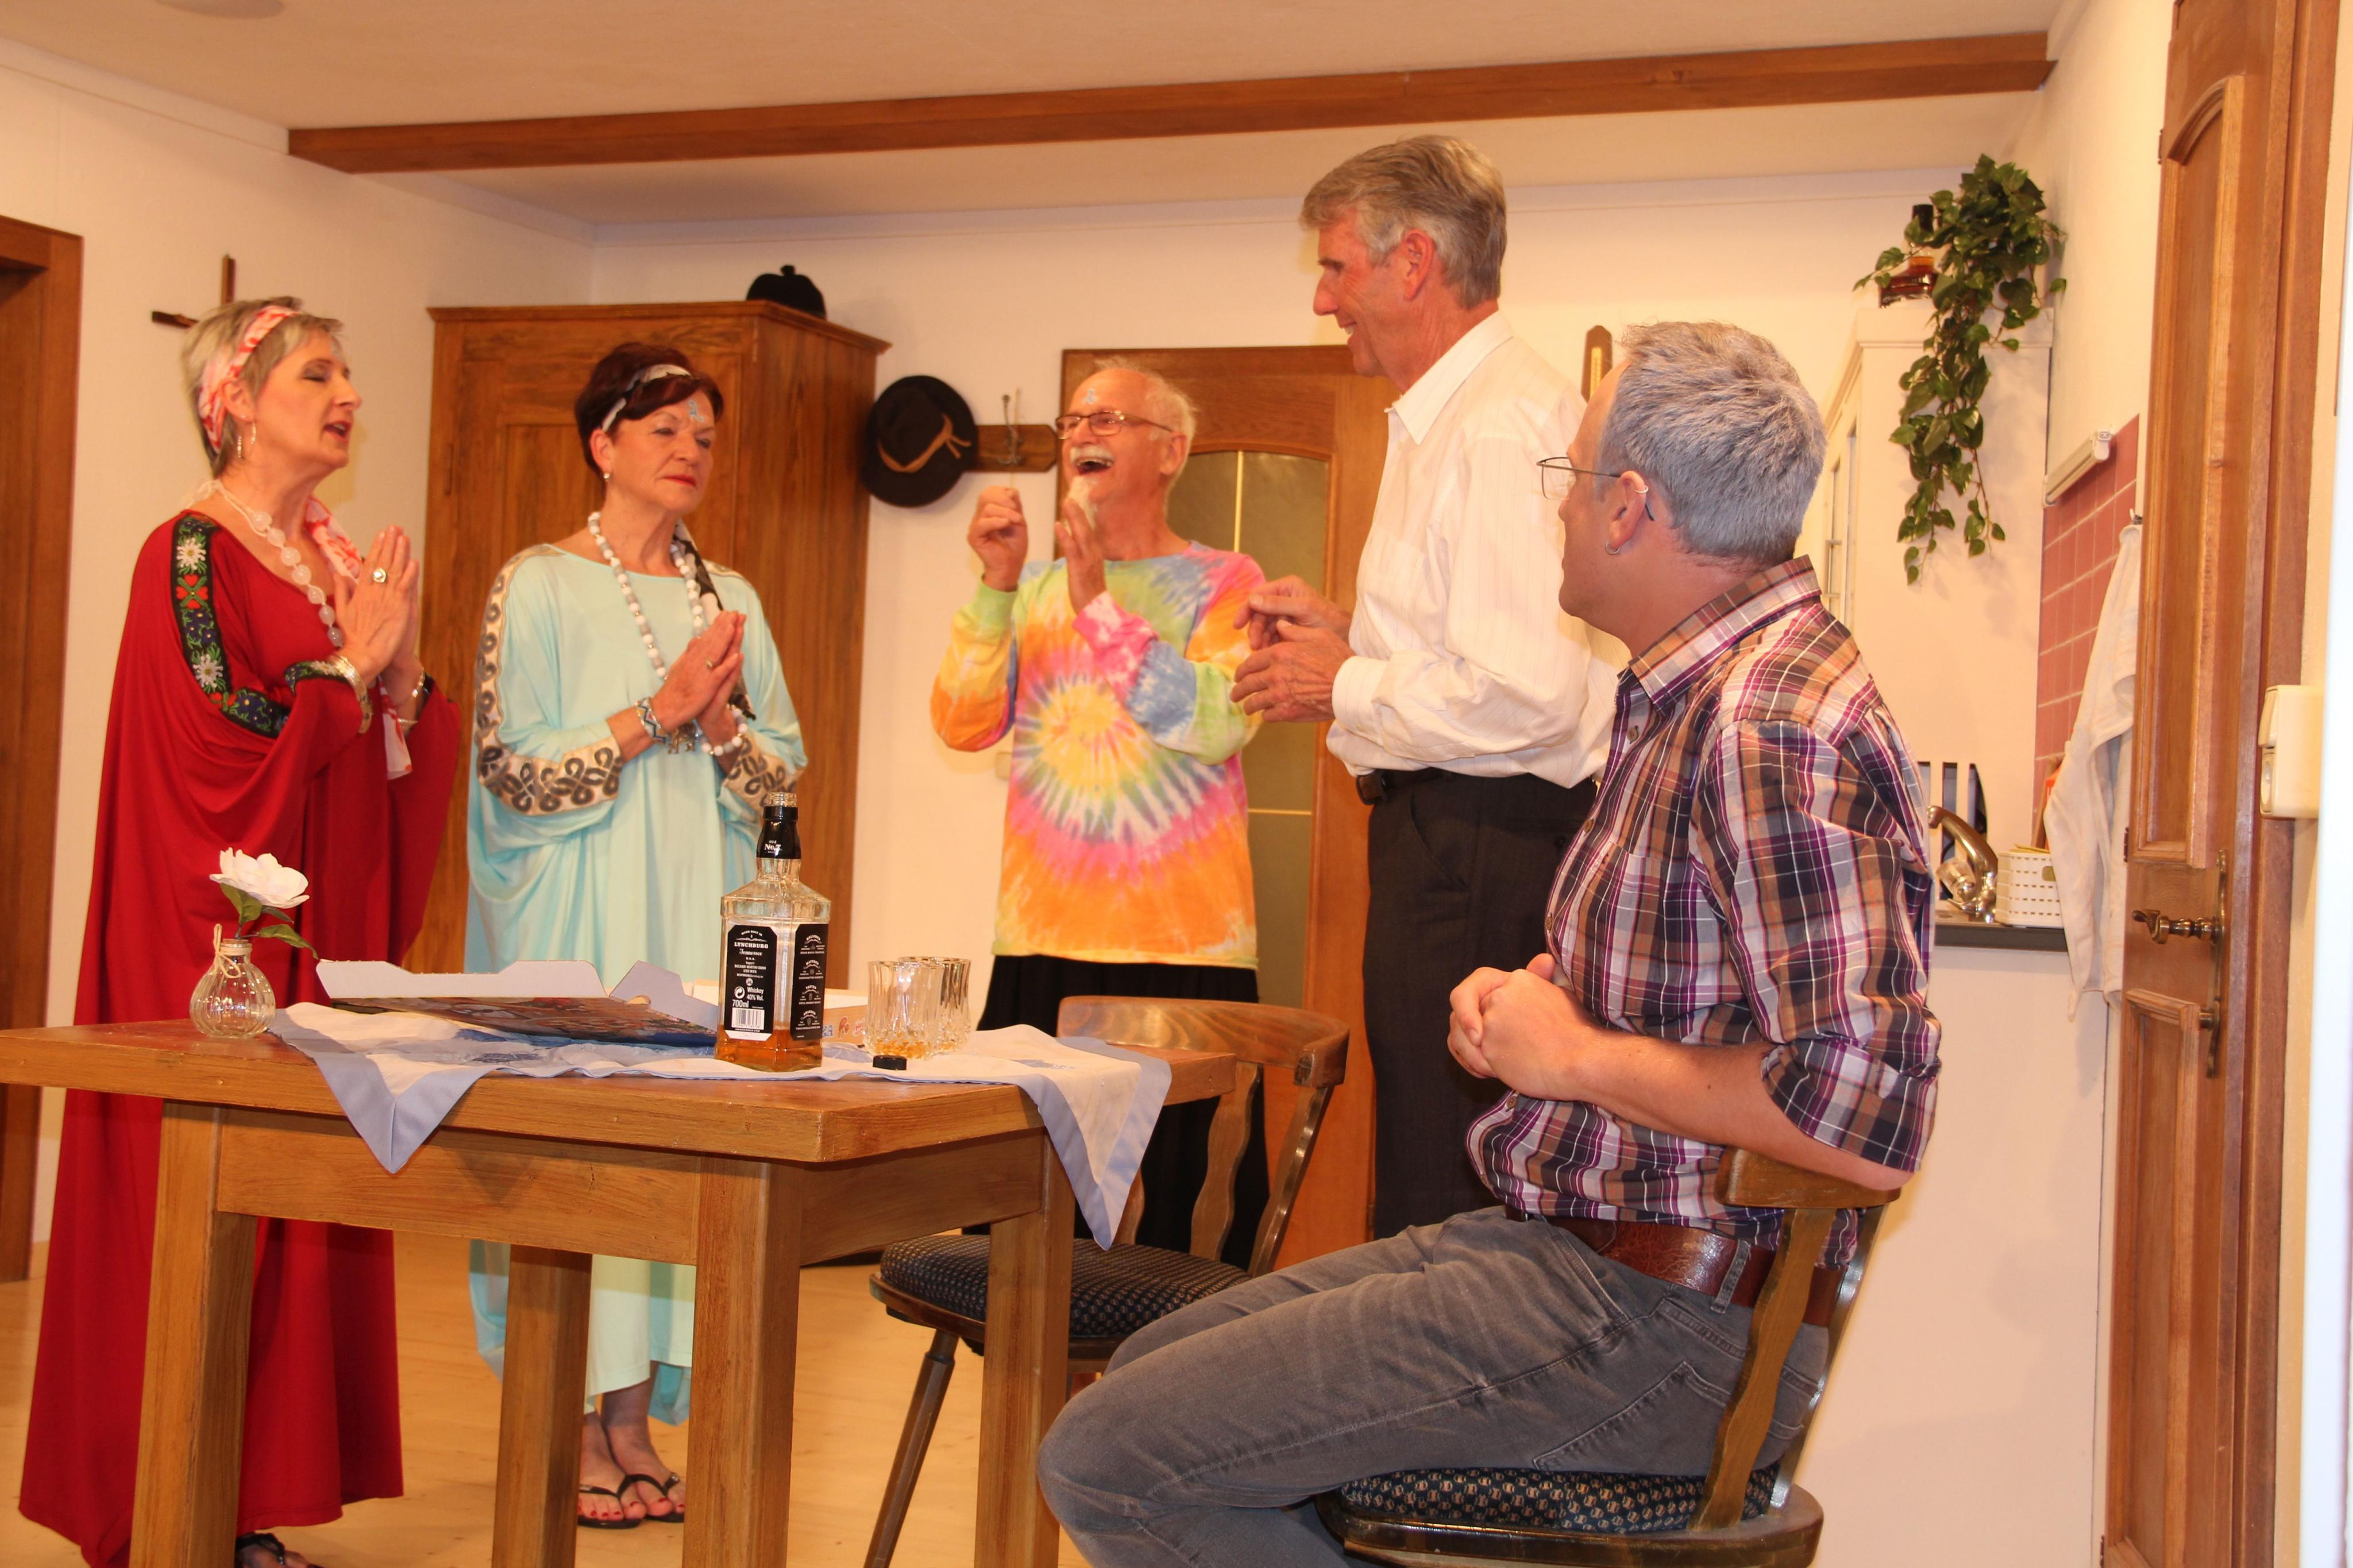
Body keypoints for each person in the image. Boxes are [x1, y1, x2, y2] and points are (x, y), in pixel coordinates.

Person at [1039, 321, 1943, 1566]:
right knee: (1154, 1371)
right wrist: (1540, 1005)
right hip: (1582, 1252)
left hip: (1658, 1316)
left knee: (1111, 1455)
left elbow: (1861, 1117)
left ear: (1628, 506)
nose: (1555, 507)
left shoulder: (1764, 722)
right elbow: (1713, 997)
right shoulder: (1697, 690)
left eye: (1567, 476)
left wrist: (1573, 1057)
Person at [24, 298, 457, 1568]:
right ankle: (165, 1495)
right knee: (203, 1214)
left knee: (290, 1215)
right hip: (207, 945)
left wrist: (398, 672)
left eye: (346, 372)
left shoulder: (324, 565)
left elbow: (363, 752)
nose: (349, 394)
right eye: (318, 373)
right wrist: (350, 669)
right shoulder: (187, 554)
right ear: (236, 401)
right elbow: (219, 743)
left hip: (308, 942)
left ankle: (243, 1498)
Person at [1232, 135, 1619, 1236]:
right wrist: (1350, 637)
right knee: (1430, 1168)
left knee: (1447, 1191)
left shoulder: (1494, 425)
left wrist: (1347, 681)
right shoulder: (1455, 414)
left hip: (1480, 848)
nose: (1323, 299)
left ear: (1414, 264)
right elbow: (1486, 654)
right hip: (1460, 837)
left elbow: (1528, 694)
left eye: (1336, 267)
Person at [464, 343, 806, 1528]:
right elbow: (512, 772)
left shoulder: (732, 600)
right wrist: (655, 715)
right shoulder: (537, 583)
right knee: (589, 1158)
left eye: (704, 435)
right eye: (663, 429)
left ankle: (633, 1420)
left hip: (693, 905)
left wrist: (719, 732)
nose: (688, 451)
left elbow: (781, 784)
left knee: (675, 1164)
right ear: (601, 444)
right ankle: (567, 1417)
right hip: (581, 905)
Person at [932, 362, 1269, 1256]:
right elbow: (961, 721)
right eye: (1074, 419)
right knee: (1022, 1234)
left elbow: (1216, 719)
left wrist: (1098, 606)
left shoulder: (1228, 581)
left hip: (1179, 952)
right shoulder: (1033, 589)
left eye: (1109, 418)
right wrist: (997, 584)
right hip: (1042, 946)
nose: (1082, 431)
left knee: (1175, 1234)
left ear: (1172, 452)